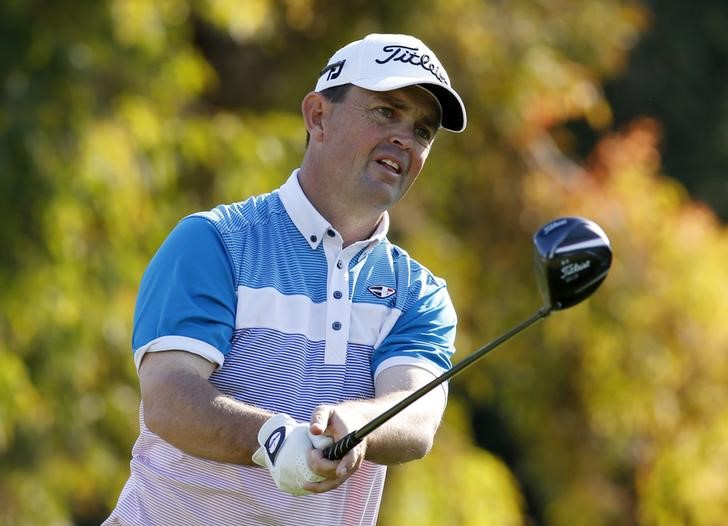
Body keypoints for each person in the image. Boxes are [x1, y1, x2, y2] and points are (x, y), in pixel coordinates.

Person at [104, 32, 467, 526]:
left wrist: (357, 424)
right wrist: (275, 440)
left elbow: (416, 418)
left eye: (423, 130)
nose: (406, 138)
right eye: (386, 111)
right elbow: (169, 397)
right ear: (318, 116)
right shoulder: (215, 243)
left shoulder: (417, 294)